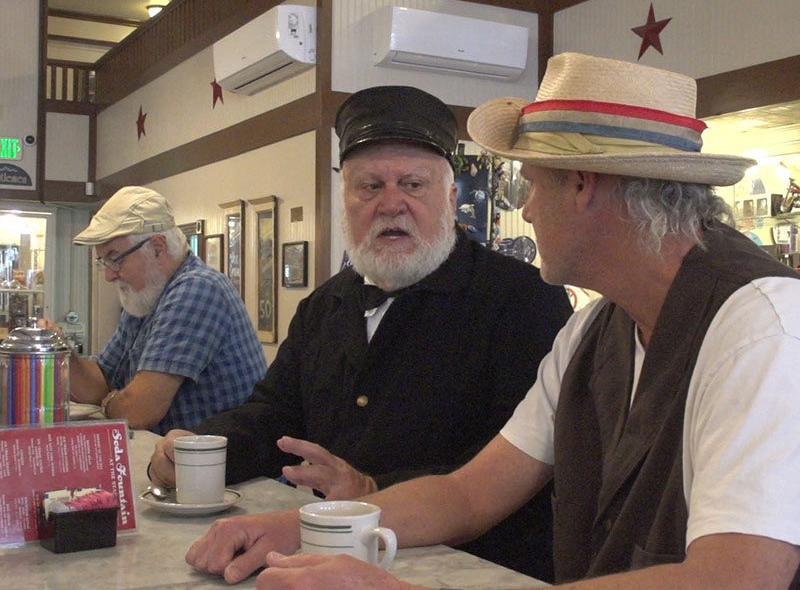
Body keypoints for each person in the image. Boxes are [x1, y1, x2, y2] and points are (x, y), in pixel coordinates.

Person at [184, 53, 800, 589]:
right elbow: (470, 493)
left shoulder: (761, 326)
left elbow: (737, 577)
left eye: (530, 186)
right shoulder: (593, 330)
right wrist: (291, 527)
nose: (525, 211)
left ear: (584, 185)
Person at [149, 86, 573, 579]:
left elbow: (512, 462)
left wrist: (373, 491)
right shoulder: (322, 307)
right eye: (370, 186)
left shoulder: (523, 298)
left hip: (471, 568)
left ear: (451, 197)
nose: (391, 204)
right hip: (322, 559)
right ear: (345, 201)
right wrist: (198, 451)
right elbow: (273, 418)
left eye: (413, 184)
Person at [67, 186, 267, 435]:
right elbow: (98, 385)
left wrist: (109, 402)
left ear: (158, 248)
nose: (108, 275)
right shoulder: (145, 297)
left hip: (230, 469)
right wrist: (60, 351)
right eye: (103, 262)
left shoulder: (197, 288)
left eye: (115, 258)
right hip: (182, 463)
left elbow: (139, 412)